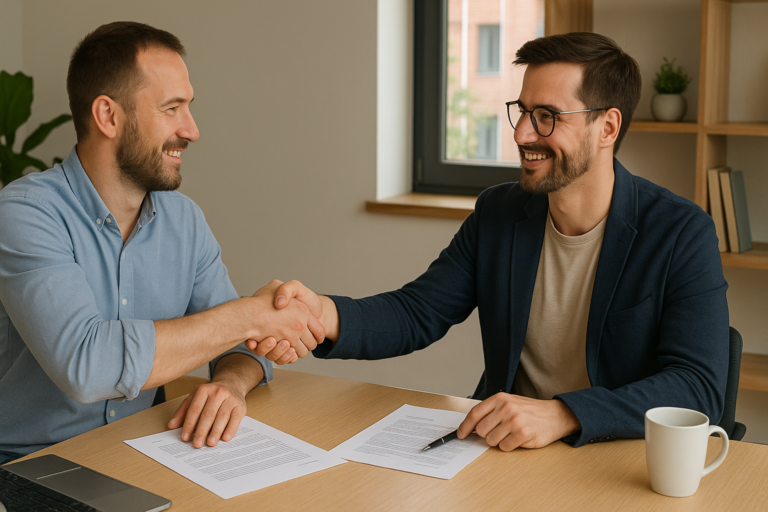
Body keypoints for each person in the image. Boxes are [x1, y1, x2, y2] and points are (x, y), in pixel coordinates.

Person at [253, 32, 729, 451]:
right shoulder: (500, 212)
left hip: (614, 458)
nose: (522, 134)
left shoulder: (680, 233)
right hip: (504, 449)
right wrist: (322, 314)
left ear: (607, 127)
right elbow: (417, 311)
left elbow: (697, 387)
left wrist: (564, 414)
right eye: (522, 112)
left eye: (547, 116)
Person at [0, 22, 323, 465]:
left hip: (141, 450)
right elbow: (88, 366)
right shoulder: (25, 213)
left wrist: (229, 385)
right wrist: (250, 315)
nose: (192, 130)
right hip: (27, 464)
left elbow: (239, 345)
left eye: (188, 107)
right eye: (172, 109)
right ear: (108, 116)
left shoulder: (183, 220)